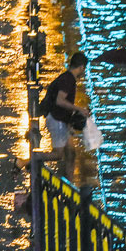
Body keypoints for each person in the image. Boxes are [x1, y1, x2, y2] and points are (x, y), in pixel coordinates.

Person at [17, 52, 90, 181]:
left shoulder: (67, 78)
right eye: (84, 69)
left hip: (62, 120)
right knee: (58, 154)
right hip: (57, 120)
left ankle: (69, 182)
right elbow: (60, 101)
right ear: (81, 67)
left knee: (71, 152)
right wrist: (79, 109)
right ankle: (24, 161)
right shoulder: (68, 80)